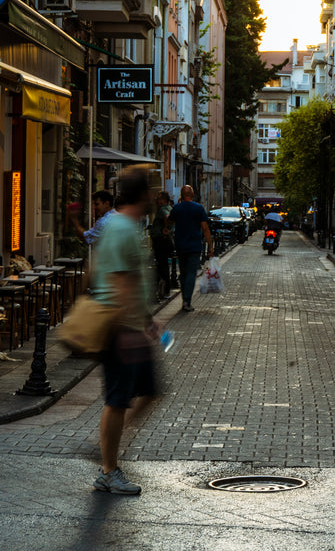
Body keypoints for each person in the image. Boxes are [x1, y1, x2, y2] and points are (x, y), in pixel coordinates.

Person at [92, 165, 159, 496]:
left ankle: (108, 443)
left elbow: (126, 277)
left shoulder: (127, 226)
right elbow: (119, 281)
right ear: (141, 195)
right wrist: (129, 328)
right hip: (120, 329)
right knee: (117, 400)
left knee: (149, 391)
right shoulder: (120, 228)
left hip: (132, 325)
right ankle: (108, 468)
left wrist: (146, 319)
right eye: (149, 192)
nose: (153, 198)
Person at [167, 185, 213, 312]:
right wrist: (210, 246)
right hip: (194, 246)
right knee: (191, 273)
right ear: (192, 195)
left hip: (180, 245)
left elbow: (169, 221)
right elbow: (205, 228)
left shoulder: (177, 208)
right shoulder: (198, 208)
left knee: (183, 272)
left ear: (181, 196)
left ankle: (184, 299)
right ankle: (187, 301)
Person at [149, 191, 174, 300]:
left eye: (160, 199)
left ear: (165, 200)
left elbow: (167, 218)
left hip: (161, 241)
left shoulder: (164, 209)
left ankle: (164, 289)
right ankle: (164, 289)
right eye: (157, 199)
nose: (158, 201)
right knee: (163, 265)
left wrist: (165, 226)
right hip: (165, 240)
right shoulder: (169, 207)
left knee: (162, 265)